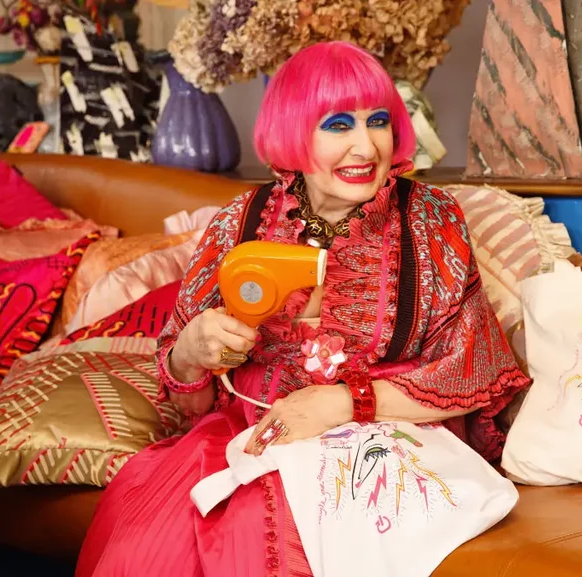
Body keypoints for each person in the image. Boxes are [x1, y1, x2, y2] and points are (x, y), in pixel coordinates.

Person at [75, 41, 530, 577]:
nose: (365, 146)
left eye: (377, 120)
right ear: (294, 130)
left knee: (261, 525)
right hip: (251, 434)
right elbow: (188, 401)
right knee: (146, 537)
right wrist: (192, 352)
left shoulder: (430, 220)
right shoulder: (239, 222)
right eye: (338, 125)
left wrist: (346, 403)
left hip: (386, 434)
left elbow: (471, 370)